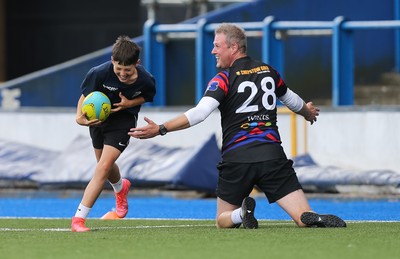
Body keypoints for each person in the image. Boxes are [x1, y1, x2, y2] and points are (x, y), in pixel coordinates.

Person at [129, 23, 346, 229]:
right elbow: (291, 100)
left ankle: (240, 214)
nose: (213, 51)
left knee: (222, 220)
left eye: (217, 46)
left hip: (237, 160)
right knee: (301, 217)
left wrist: (161, 128)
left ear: (233, 47)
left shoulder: (223, 78)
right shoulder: (269, 72)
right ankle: (309, 217)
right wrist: (308, 113)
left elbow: (200, 113)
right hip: (272, 157)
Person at [71, 35, 156, 232]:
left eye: (128, 69)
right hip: (98, 121)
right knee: (106, 167)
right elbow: (84, 97)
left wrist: (129, 104)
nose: (123, 74)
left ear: (137, 63)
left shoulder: (146, 79)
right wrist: (79, 117)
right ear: (112, 61)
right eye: (118, 69)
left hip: (122, 122)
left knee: (102, 167)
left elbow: (147, 96)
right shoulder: (99, 73)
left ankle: (78, 219)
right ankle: (121, 187)